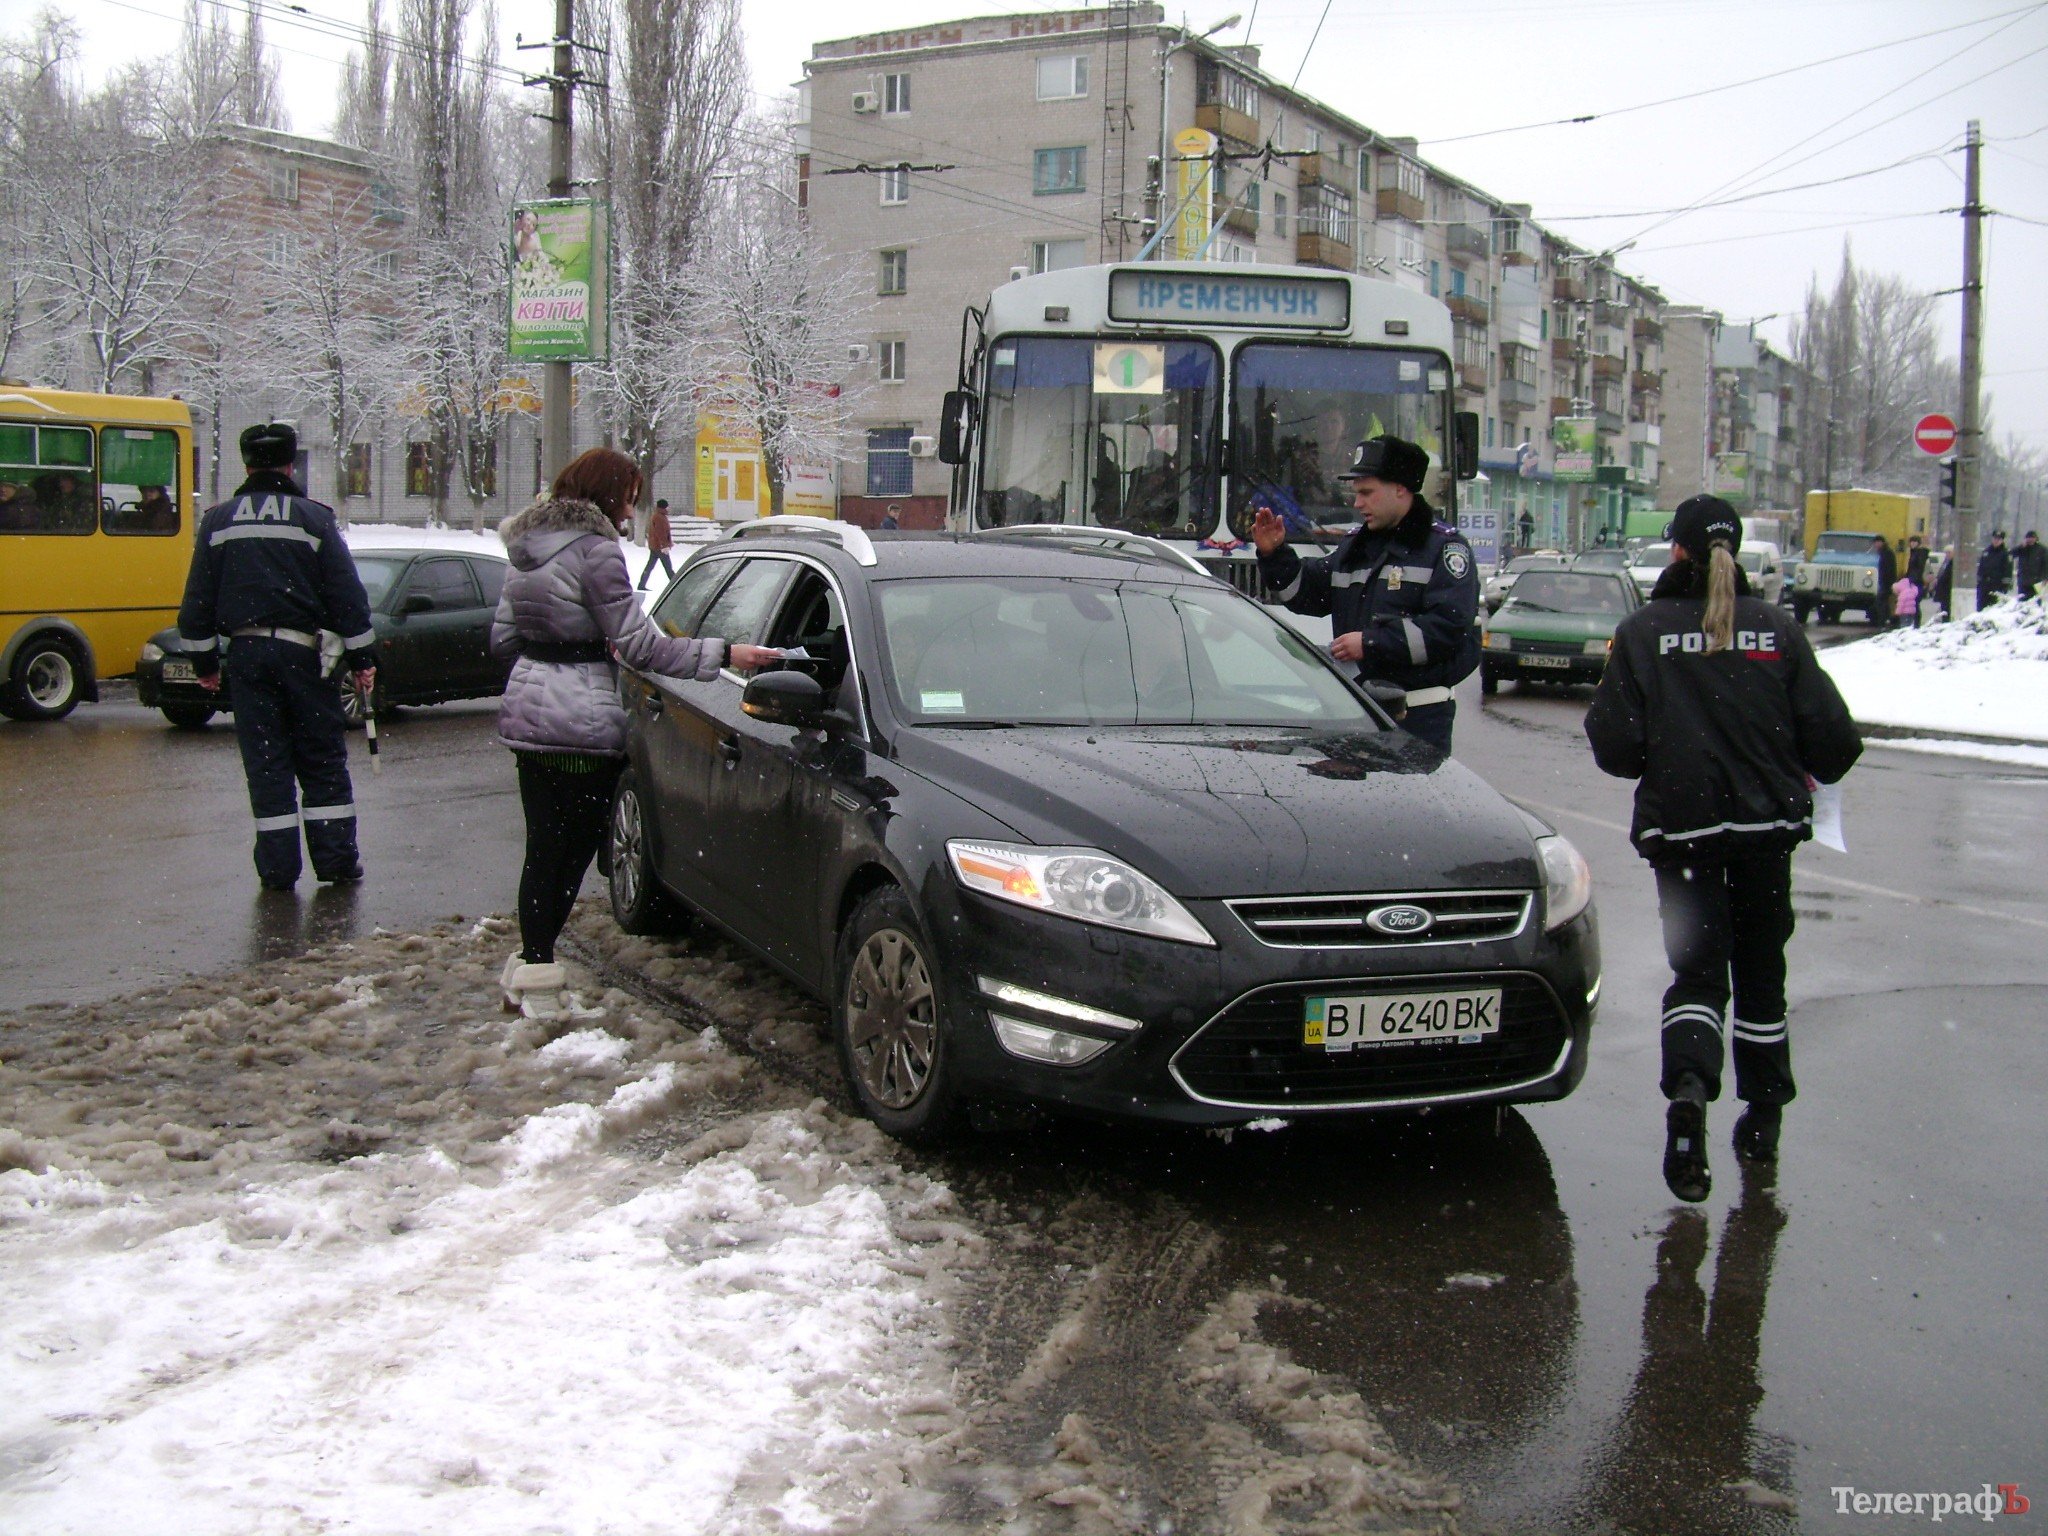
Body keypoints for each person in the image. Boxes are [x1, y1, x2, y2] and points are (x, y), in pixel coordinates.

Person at [1585, 495, 1862, 1204]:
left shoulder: (1644, 632)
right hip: (1766, 836)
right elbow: (1836, 741)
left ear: (1674, 552)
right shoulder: (1776, 628)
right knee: (1761, 971)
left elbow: (1614, 747)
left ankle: (1687, 1101)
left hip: (1684, 834)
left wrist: (1669, 750)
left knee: (1700, 975)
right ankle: (1762, 1117)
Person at [491, 447, 780, 1018]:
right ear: (607, 493)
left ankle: (528, 966)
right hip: (580, 719)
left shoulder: (525, 547)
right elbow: (640, 646)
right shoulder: (596, 552)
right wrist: (726, 652)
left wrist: (548, 656)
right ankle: (540, 980)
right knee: (572, 852)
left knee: (543, 847)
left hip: (530, 713)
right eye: (629, 495)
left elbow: (501, 640)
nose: (632, 509)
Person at [176, 422, 377, 891]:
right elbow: (348, 597)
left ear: (247, 465)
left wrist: (206, 665)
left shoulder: (219, 521)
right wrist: (363, 657)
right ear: (290, 465)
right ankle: (336, 862)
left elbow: (196, 605)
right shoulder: (314, 519)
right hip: (303, 656)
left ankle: (278, 870)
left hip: (247, 655)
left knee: (267, 765)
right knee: (322, 760)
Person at [1252, 434, 1480, 753]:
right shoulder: (1357, 545)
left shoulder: (1444, 549)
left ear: (1400, 489)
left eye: (1367, 493)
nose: (1358, 503)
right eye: (1357, 494)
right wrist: (1275, 554)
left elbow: (1448, 628)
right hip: (1358, 713)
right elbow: (1307, 593)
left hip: (1418, 718)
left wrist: (1371, 643)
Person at [636, 496, 674, 590]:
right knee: (668, 568)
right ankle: (675, 584)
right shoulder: (659, 517)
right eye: (667, 507)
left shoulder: (659, 515)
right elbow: (660, 533)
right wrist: (664, 545)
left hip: (655, 546)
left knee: (650, 567)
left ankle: (641, 585)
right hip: (659, 547)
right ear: (663, 507)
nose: (668, 508)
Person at [1977, 529, 2013, 611]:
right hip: (1985, 586)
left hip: (1998, 586)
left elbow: (2008, 571)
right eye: (1995, 538)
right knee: (1982, 608)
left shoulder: (2006, 553)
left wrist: (2005, 586)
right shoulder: (1986, 552)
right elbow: (1981, 568)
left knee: (1995, 609)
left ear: (2002, 540)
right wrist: (1980, 581)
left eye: (1999, 539)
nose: (1996, 541)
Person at [1904, 534, 1929, 623]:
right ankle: (1913, 622)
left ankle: (1916, 623)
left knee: (1915, 602)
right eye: (1911, 542)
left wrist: (1912, 579)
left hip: (1917, 582)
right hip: (1913, 580)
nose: (1912, 544)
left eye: (1915, 542)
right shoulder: (1913, 552)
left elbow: (1919, 568)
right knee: (1912, 602)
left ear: (1918, 543)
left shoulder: (1920, 553)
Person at [2014, 529, 2046, 601]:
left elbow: (2046, 565)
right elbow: (2011, 554)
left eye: (2033, 538)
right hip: (2023, 581)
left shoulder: (2042, 549)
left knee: (2035, 603)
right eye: (2029, 538)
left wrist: (2045, 578)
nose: (2031, 540)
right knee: (2021, 603)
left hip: (2037, 582)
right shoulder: (2022, 548)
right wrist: (2021, 546)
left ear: (2036, 539)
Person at [1871, 536, 1897, 616]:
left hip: (1886, 583)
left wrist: (1888, 583)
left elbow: (1889, 569)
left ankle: (1885, 621)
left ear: (1882, 542)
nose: (1876, 544)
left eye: (1877, 542)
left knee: (1883, 603)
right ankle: (1884, 620)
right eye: (1875, 543)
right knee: (1882, 603)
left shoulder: (1887, 553)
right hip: (1883, 583)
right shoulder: (1881, 552)